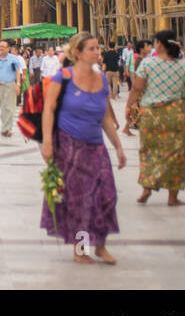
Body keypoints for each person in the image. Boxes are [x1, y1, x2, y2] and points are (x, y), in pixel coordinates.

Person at [39, 32, 125, 265]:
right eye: (92, 49)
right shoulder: (62, 78)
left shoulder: (102, 79)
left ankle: (101, 245)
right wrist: (47, 142)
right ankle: (81, 247)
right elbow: (48, 110)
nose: (98, 52)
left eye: (98, 48)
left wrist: (118, 146)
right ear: (78, 53)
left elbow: (105, 116)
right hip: (69, 147)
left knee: (107, 195)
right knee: (80, 199)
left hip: (95, 146)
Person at [126, 30, 185, 207]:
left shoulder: (148, 64)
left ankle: (147, 188)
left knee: (149, 150)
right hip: (176, 114)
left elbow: (137, 88)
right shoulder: (181, 66)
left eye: (155, 42)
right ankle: (173, 197)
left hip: (152, 114)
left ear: (160, 44)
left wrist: (129, 107)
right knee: (177, 153)